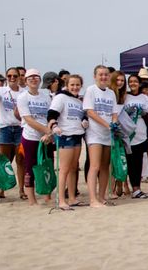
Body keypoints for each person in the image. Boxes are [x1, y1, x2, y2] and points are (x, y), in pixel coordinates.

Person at [81, 65, 118, 208]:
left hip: (108, 135)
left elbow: (114, 113)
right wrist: (107, 124)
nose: (103, 77)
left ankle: (102, 197)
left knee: (105, 166)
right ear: (95, 76)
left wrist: (113, 124)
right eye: (100, 74)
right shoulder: (91, 90)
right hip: (94, 133)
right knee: (94, 166)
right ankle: (92, 199)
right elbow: (90, 112)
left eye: (106, 75)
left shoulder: (111, 93)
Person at [48, 74, 85, 210]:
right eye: (72, 85)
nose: (75, 87)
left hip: (77, 135)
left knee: (74, 168)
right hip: (65, 135)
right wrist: (54, 126)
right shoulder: (60, 97)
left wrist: (84, 121)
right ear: (67, 85)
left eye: (78, 85)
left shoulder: (79, 101)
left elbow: (81, 116)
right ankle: (61, 200)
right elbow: (52, 114)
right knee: (64, 169)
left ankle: (72, 197)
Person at [17, 69, 53, 206]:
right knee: (30, 168)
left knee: (47, 166)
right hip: (30, 137)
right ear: (26, 81)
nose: (33, 79)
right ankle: (32, 199)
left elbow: (50, 116)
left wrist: (49, 133)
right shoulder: (23, 97)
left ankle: (47, 196)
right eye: (30, 78)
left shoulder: (45, 97)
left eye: (36, 77)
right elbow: (28, 119)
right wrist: (47, 131)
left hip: (46, 137)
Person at [0, 67, 24, 199]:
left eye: (15, 76)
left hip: (19, 128)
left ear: (19, 77)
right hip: (5, 128)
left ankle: (22, 190)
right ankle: (1, 189)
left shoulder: (23, 92)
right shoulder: (1, 90)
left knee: (21, 160)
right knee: (4, 160)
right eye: (9, 76)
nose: (12, 78)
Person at [120, 74, 148, 198]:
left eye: (135, 81)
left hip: (140, 133)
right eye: (130, 82)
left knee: (137, 162)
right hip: (127, 134)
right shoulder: (124, 96)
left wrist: (141, 113)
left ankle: (137, 188)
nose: (133, 84)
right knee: (128, 162)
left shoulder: (144, 97)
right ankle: (126, 186)